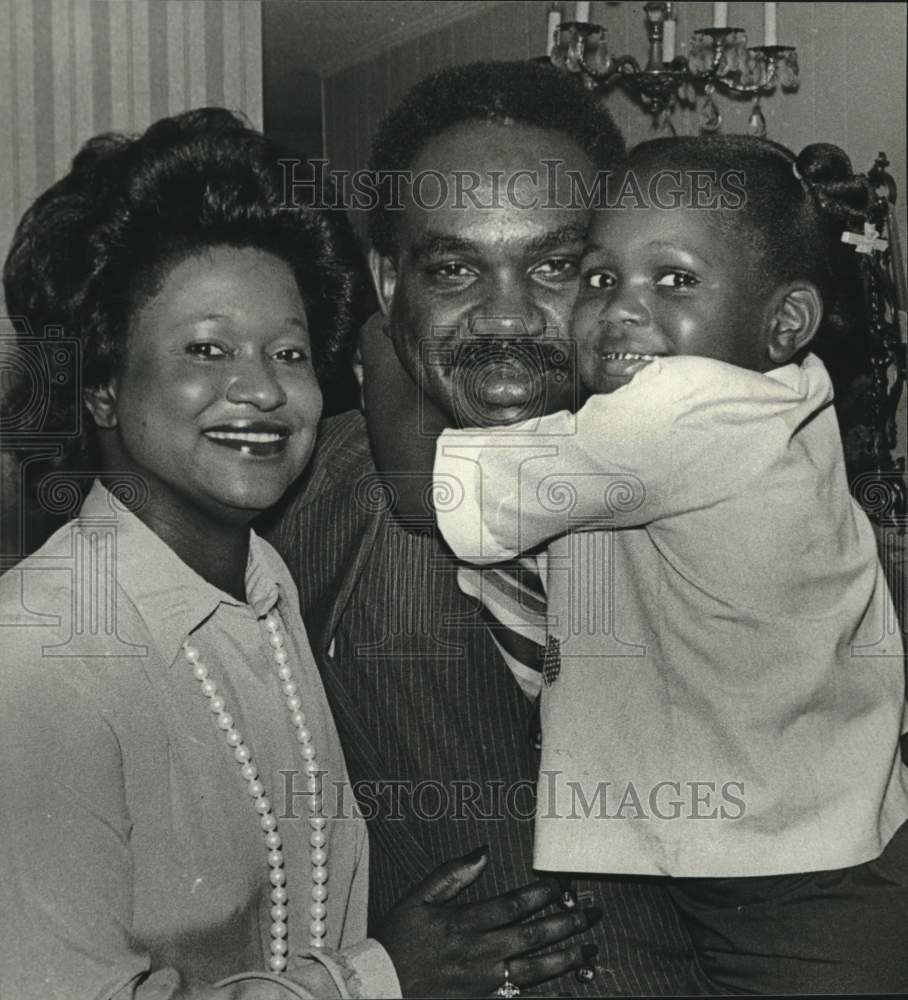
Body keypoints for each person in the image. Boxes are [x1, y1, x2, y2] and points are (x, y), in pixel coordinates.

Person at [0, 108, 603, 1000]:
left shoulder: (264, 585)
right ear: (99, 384)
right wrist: (380, 979)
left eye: (287, 351)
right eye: (207, 349)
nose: (261, 389)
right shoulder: (41, 658)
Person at [433, 135, 908, 992]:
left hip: (807, 894)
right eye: (599, 278)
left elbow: (456, 495)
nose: (620, 307)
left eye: (675, 280)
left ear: (785, 323)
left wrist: (380, 352)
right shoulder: (786, 394)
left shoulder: (688, 411)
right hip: (779, 848)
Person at [267, 61, 697, 996]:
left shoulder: (712, 474)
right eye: (456, 268)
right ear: (389, 283)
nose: (506, 316)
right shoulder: (285, 508)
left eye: (553, 266)